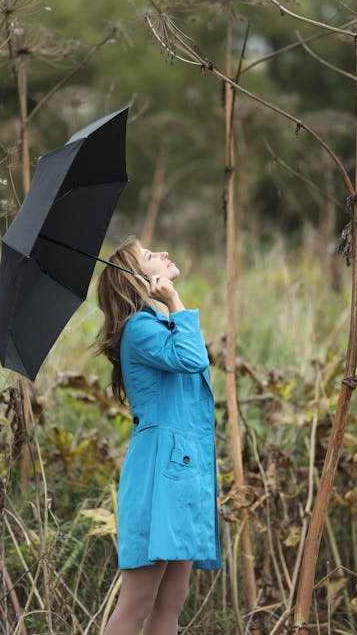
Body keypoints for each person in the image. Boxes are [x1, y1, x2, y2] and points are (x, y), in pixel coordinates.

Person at [95, 238, 221, 635]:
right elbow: (193, 358)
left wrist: (171, 310)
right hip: (157, 476)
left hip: (182, 474)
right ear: (137, 280)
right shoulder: (138, 329)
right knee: (139, 601)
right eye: (151, 256)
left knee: (172, 599)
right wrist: (175, 301)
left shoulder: (158, 326)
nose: (164, 254)